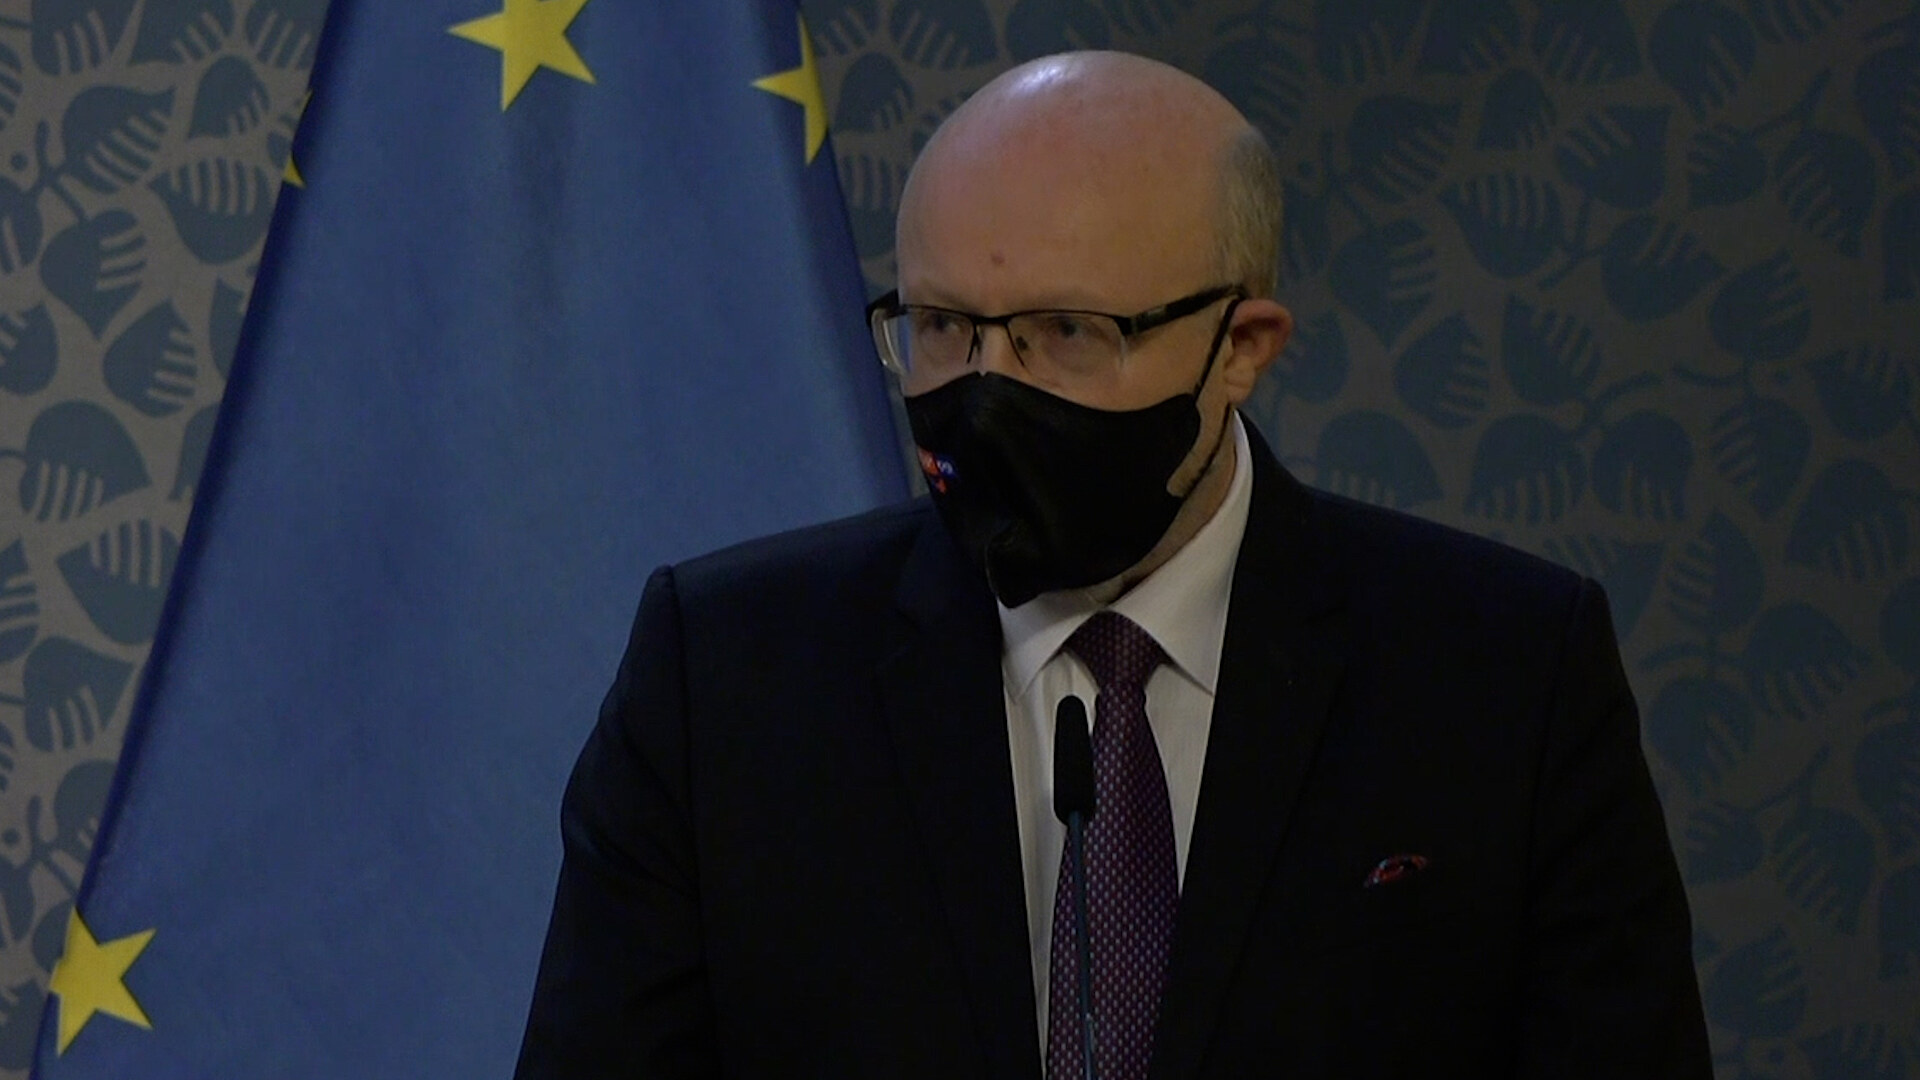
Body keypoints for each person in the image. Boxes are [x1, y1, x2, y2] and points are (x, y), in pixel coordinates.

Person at [514, 51, 1711, 1079]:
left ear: (1241, 348)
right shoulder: (726, 679)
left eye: (1067, 334)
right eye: (945, 329)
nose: (989, 395)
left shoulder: (1503, 674)